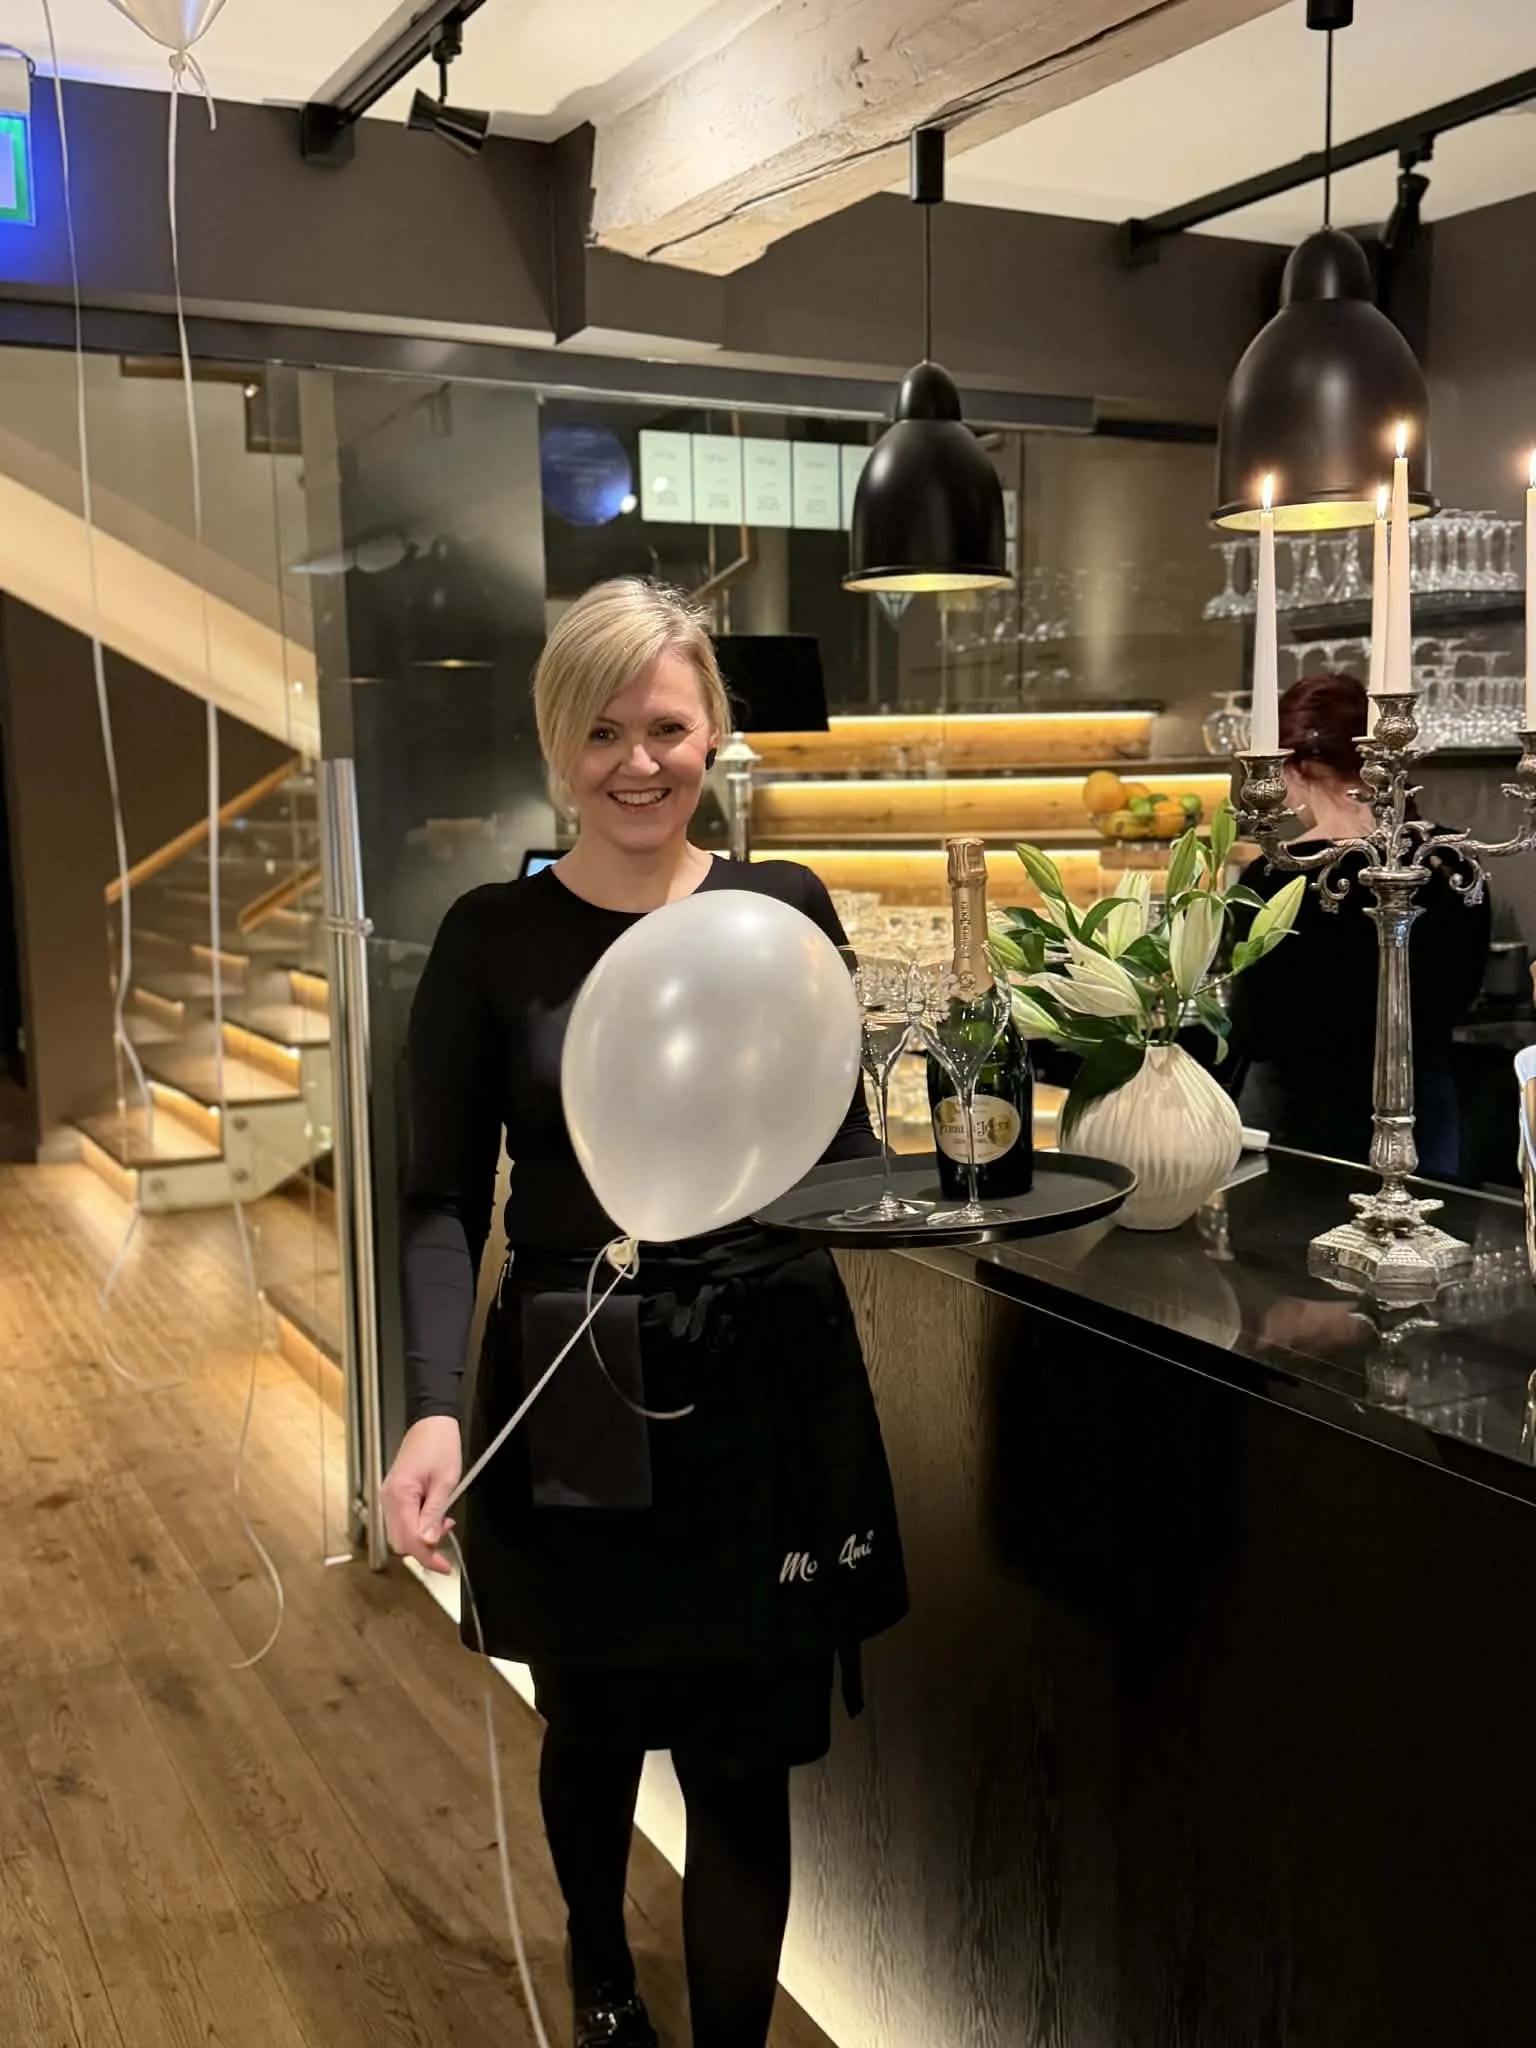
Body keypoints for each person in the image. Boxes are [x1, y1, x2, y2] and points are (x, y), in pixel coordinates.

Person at [381, 578, 908, 2048]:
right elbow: (437, 1195)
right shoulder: (489, 940)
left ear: (712, 733)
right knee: (596, 1729)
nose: (636, 762)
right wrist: (431, 1405)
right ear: (559, 743)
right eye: (600, 729)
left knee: (748, 1763)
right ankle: (603, 1972)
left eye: (666, 726)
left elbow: (843, 1153)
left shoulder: (781, 911)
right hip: (575, 1379)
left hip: (762, 1373)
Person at [1229, 672, 1490, 1178]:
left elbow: (1255, 1027)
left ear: (1293, 766)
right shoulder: (1453, 859)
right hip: (1422, 1118)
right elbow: (1460, 995)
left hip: (1299, 1125)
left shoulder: (1275, 872)